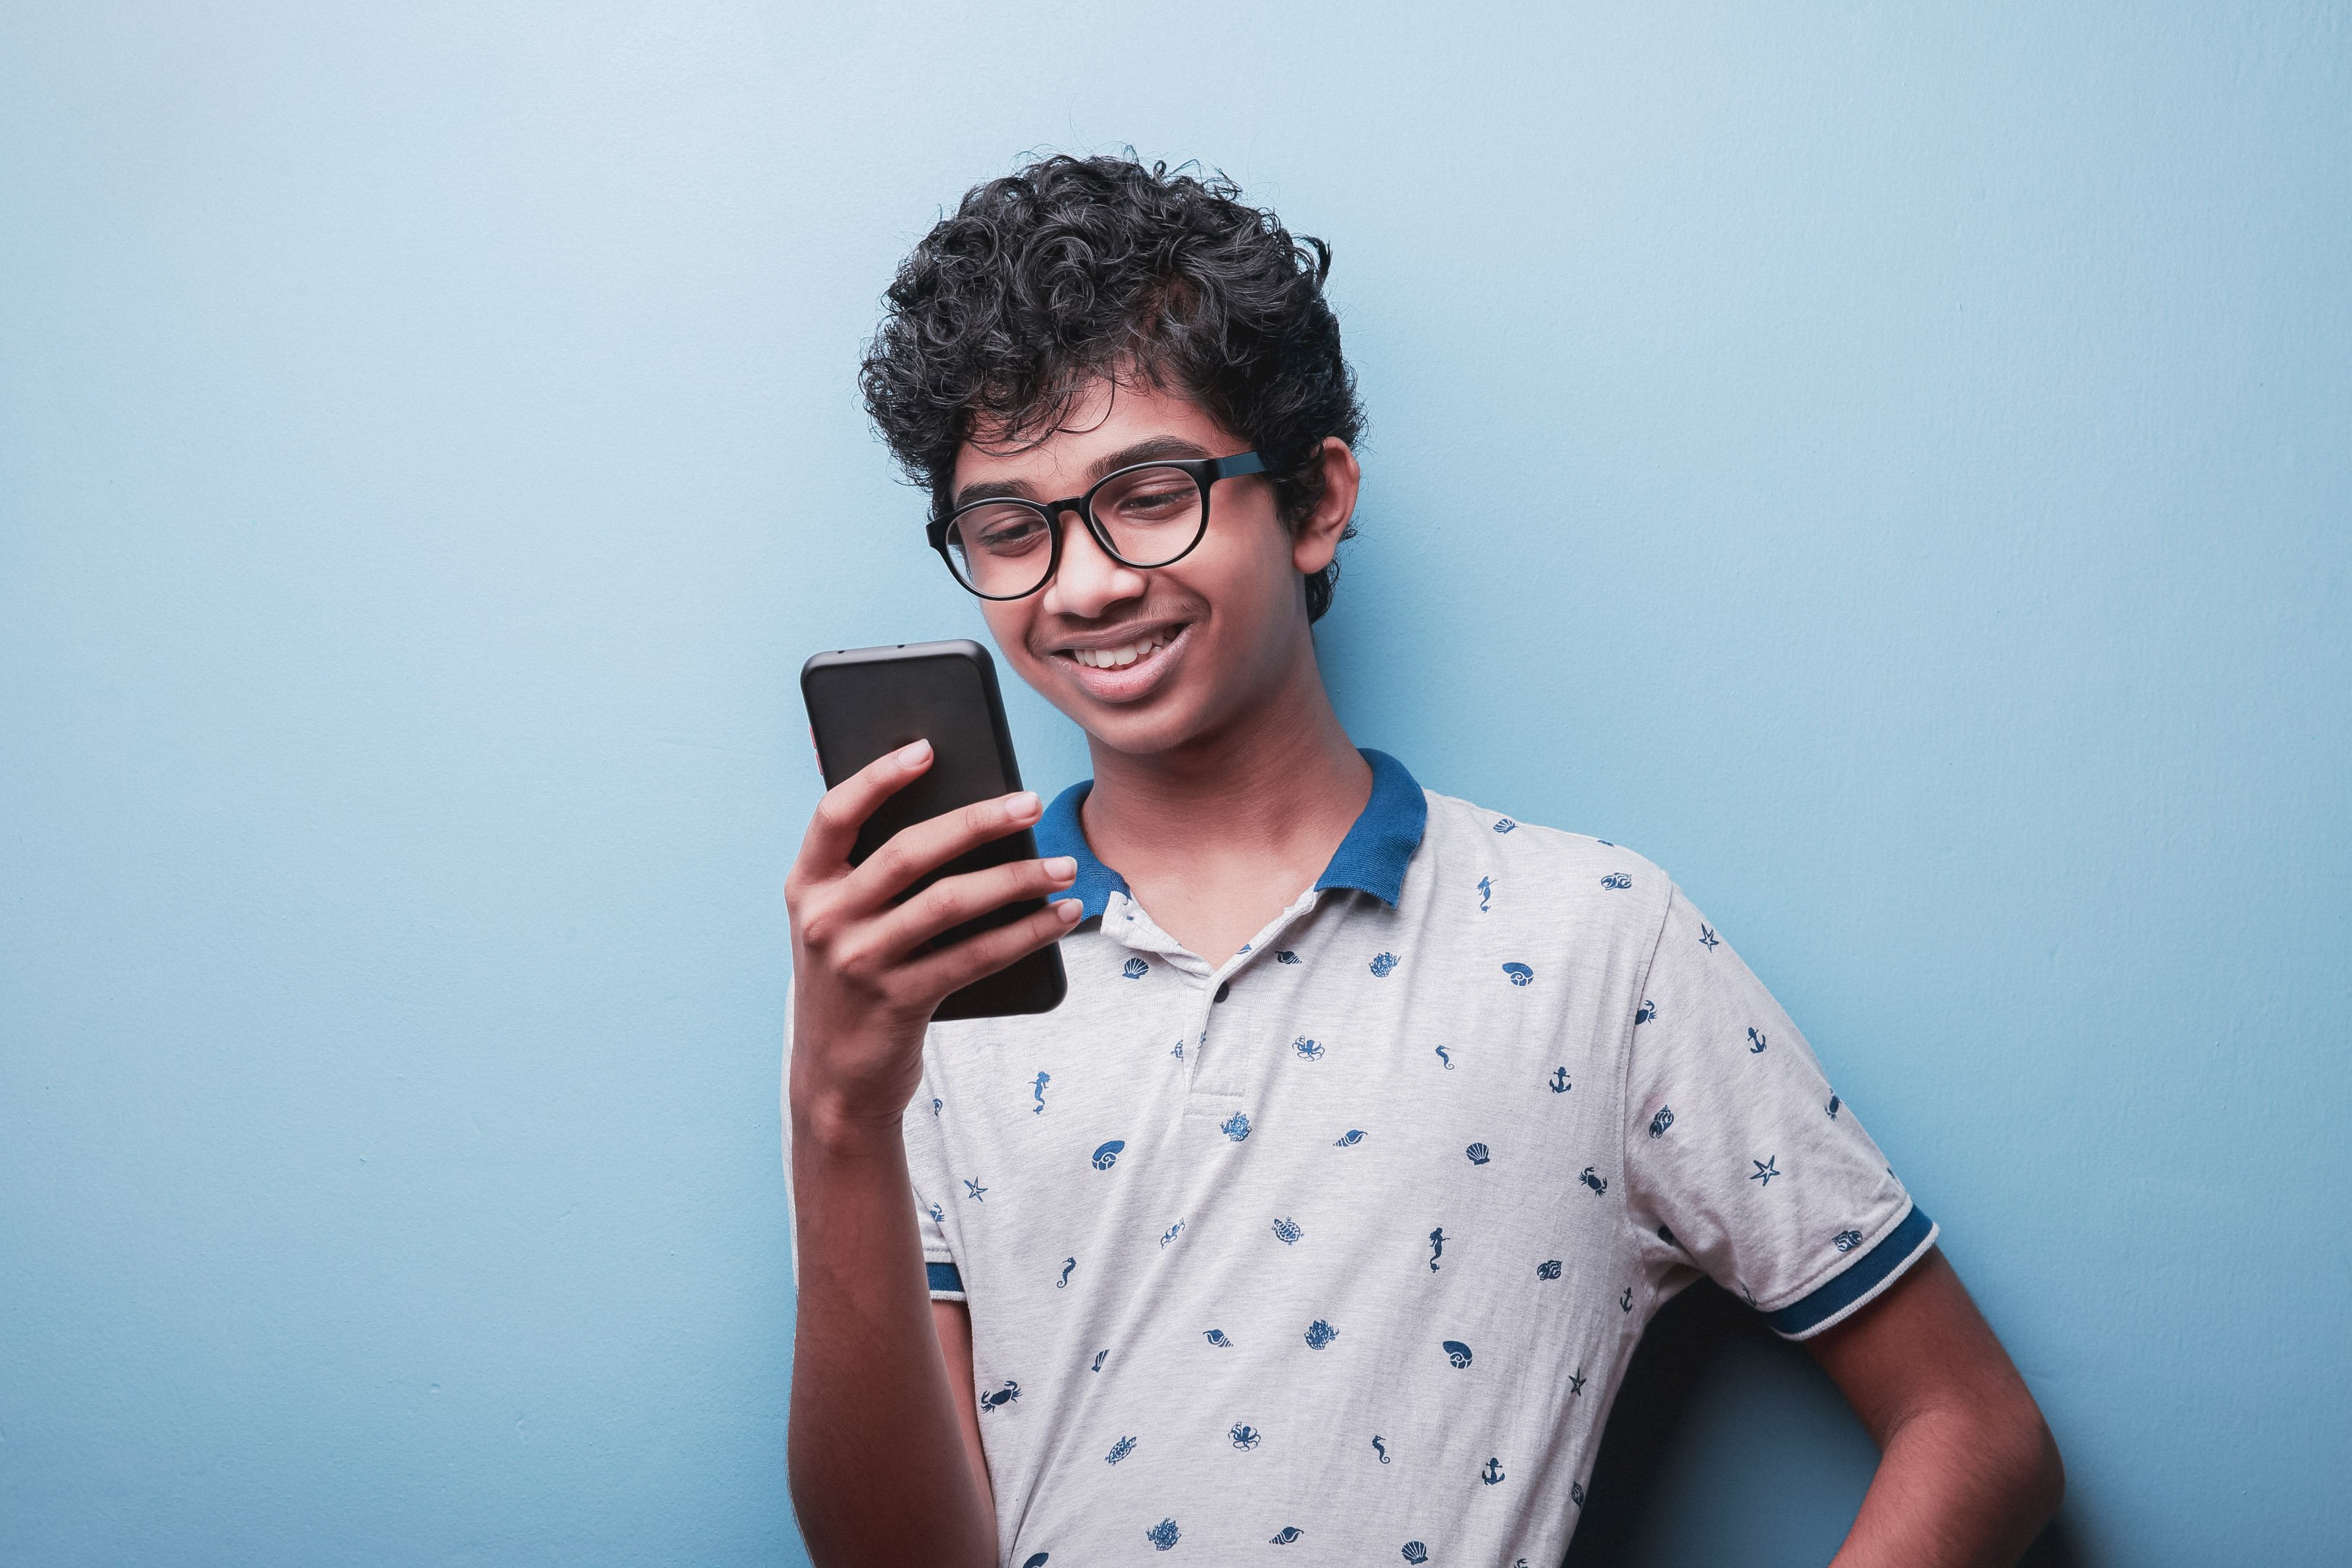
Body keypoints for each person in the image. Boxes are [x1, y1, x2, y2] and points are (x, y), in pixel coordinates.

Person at [782, 153, 2062, 1568]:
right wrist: (838, 1110)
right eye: (1010, 527)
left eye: (1147, 494)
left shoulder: (1595, 945)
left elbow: (1976, 1428)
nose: (1082, 584)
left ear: (1315, 501)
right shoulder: (929, 985)